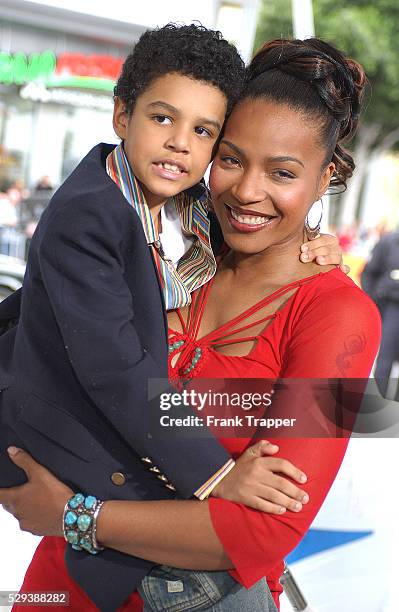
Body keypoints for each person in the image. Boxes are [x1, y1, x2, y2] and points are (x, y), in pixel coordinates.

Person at [0, 37, 380, 612]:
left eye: (282, 172)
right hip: (60, 582)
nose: (248, 191)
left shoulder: (337, 315)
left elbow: (264, 530)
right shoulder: (174, 245)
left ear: (327, 174)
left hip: (196, 597)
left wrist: (77, 515)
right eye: (230, 158)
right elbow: (45, 338)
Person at [361, 228, 399, 399]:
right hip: (392, 306)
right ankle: (379, 404)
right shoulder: (389, 241)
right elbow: (368, 273)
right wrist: (373, 301)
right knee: (385, 361)